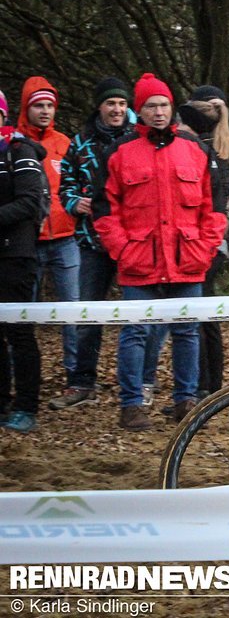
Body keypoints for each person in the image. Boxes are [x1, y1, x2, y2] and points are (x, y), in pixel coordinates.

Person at [92, 73, 228, 430]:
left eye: (164, 105)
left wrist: (203, 249)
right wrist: (123, 250)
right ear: (139, 111)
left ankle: (187, 401)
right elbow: (105, 210)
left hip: (188, 259)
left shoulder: (196, 150)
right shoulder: (118, 153)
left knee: (186, 331)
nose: (158, 112)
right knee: (135, 332)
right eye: (151, 106)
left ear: (172, 108)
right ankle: (131, 405)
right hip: (139, 261)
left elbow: (214, 208)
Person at [48, 78, 137, 409]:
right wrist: (75, 204)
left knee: (139, 315)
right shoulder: (80, 142)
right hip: (91, 241)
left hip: (131, 240)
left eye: (122, 104)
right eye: (111, 103)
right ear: (100, 106)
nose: (117, 109)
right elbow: (65, 186)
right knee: (87, 311)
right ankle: (82, 382)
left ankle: (140, 383)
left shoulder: (136, 138)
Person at [17, 77, 80, 385]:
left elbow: (78, 184)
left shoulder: (64, 143)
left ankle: (74, 375)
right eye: (38, 106)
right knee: (23, 313)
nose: (44, 111)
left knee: (72, 310)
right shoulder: (14, 144)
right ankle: (24, 375)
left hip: (66, 239)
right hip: (27, 241)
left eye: (49, 106)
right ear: (26, 109)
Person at [177, 84, 229, 398]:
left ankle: (206, 385)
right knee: (203, 312)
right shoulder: (214, 145)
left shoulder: (212, 150)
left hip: (211, 238)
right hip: (211, 237)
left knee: (201, 313)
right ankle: (206, 383)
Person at [0, 127, 46, 432]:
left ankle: (27, 405)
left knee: (19, 332)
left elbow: (30, 202)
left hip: (15, 255)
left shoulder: (19, 151)